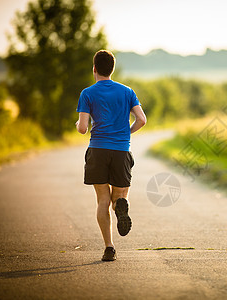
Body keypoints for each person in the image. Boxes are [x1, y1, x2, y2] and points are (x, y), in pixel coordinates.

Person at [76, 50, 146, 261]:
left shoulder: (87, 93)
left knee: (102, 201)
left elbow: (82, 128)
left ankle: (109, 247)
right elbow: (142, 120)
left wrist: (77, 125)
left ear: (94, 69)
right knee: (119, 198)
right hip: (121, 150)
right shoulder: (127, 92)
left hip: (98, 150)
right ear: (112, 69)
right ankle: (121, 206)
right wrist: (126, 132)